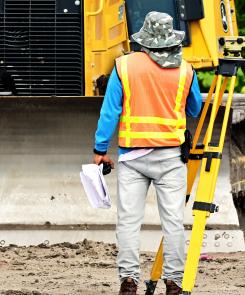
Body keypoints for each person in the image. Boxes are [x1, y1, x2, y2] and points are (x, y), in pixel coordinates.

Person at [92, 11, 203, 295]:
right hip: (171, 159)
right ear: (170, 39)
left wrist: (100, 149)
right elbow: (193, 110)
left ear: (144, 40)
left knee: (128, 221)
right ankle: (174, 283)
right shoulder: (186, 70)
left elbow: (110, 112)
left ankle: (128, 281)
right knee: (173, 223)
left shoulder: (124, 66)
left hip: (132, 159)